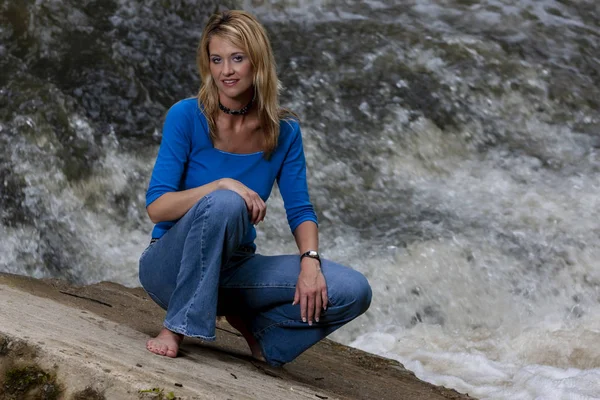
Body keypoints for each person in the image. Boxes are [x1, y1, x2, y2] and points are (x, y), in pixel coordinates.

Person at [138, 10, 372, 367]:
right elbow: (157, 207)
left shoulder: (285, 131)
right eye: (216, 60)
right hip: (169, 267)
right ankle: (177, 326)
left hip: (235, 269)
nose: (226, 71)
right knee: (225, 202)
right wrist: (219, 185)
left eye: (237, 58)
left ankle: (262, 333)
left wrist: (311, 263)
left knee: (352, 290)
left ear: (257, 62)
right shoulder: (186, 116)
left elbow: (300, 210)